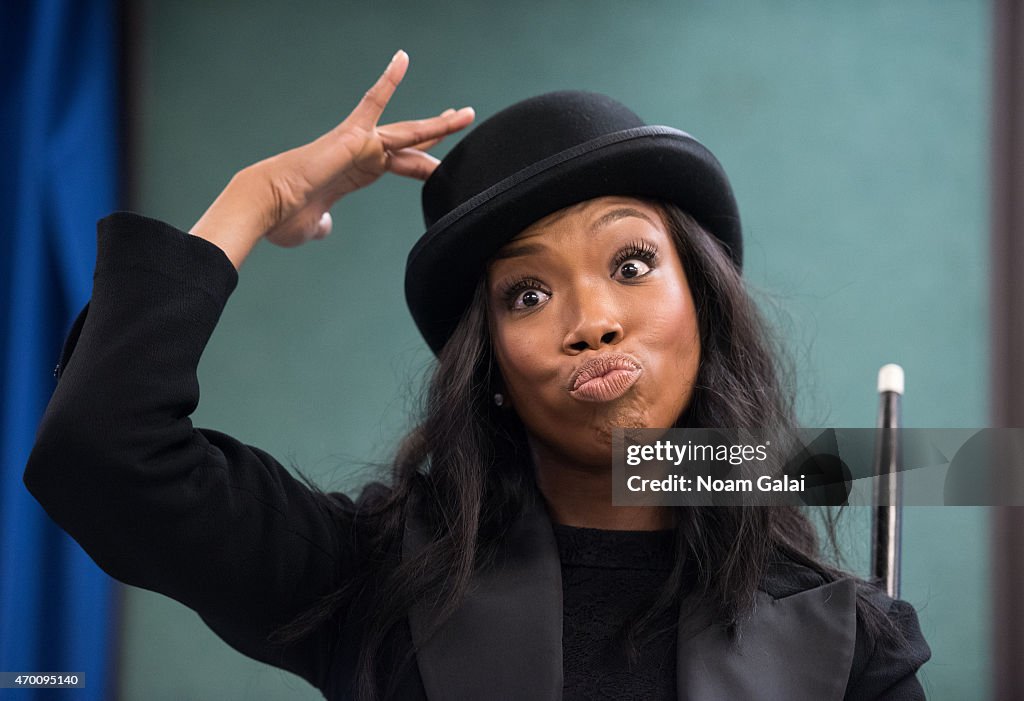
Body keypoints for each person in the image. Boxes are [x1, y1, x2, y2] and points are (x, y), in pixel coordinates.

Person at [24, 51, 930, 700]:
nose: (592, 321)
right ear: (487, 364)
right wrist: (253, 200)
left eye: (631, 264)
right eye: (529, 293)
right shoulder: (374, 583)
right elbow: (104, 452)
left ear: (705, 307)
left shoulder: (844, 641)